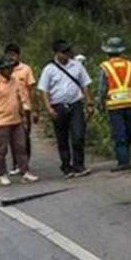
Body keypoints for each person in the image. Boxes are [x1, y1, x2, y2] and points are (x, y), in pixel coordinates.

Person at [37, 39, 95, 178]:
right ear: (56, 53)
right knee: (62, 137)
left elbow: (85, 85)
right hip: (58, 106)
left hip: (75, 104)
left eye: (68, 51)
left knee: (78, 135)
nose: (67, 54)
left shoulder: (77, 66)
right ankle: (66, 166)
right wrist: (49, 108)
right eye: (63, 52)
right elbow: (43, 90)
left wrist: (89, 102)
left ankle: (79, 165)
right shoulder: (49, 69)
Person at [0, 55, 39, 186]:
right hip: (1, 121)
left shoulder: (14, 81)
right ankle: (2, 173)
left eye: (11, 68)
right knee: (2, 149)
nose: (10, 71)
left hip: (16, 120)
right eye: (7, 68)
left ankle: (24, 171)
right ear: (2, 70)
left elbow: (19, 98)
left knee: (21, 146)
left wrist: (23, 115)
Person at [97, 37, 131, 171]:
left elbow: (102, 88)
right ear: (121, 51)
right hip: (129, 103)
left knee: (118, 134)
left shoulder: (105, 66)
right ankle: (126, 157)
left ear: (107, 52)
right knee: (128, 132)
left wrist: (100, 103)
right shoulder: (130, 65)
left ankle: (123, 161)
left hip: (114, 105)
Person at [4, 43, 37, 175]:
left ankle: (25, 162)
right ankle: (16, 163)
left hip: (25, 107)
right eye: (9, 55)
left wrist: (35, 109)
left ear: (18, 55)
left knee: (24, 136)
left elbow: (32, 90)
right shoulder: (5, 70)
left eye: (14, 54)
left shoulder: (26, 70)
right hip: (10, 108)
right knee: (12, 138)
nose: (12, 57)